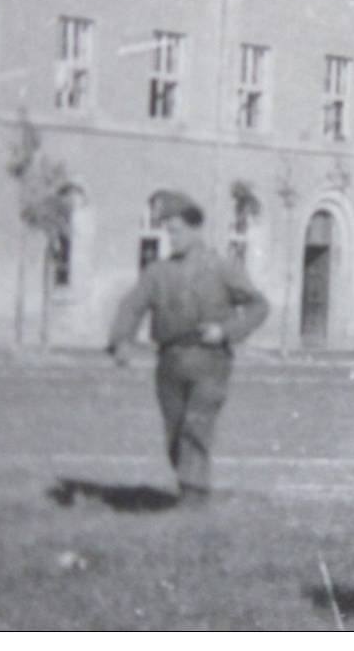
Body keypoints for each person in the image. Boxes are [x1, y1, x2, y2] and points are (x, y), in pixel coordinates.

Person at [106, 190, 269, 506]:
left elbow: (258, 306)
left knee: (197, 426)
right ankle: (189, 492)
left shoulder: (222, 267)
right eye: (168, 231)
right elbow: (132, 305)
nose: (172, 237)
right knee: (175, 432)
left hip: (210, 362)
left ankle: (194, 502)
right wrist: (120, 340)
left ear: (196, 230)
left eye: (177, 230)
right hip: (169, 363)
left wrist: (225, 331)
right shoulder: (158, 272)